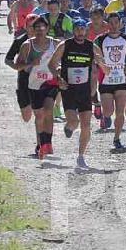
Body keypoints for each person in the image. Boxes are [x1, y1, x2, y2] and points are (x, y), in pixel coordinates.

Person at [48, 19, 103, 170]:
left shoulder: (92, 47)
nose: (80, 32)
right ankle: (69, 126)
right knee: (74, 122)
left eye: (82, 29)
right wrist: (58, 79)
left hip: (84, 91)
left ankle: (81, 156)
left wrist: (94, 85)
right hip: (68, 90)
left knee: (86, 125)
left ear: (86, 30)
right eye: (77, 29)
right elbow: (51, 64)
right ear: (73, 30)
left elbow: (101, 68)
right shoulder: (65, 45)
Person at [13, 16, 62, 161]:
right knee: (39, 116)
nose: (40, 30)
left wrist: (59, 70)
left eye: (43, 27)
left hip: (51, 82)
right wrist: (30, 63)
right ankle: (41, 144)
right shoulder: (27, 45)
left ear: (47, 29)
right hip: (34, 84)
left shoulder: (56, 44)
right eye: (37, 28)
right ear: (32, 30)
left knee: (48, 110)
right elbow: (17, 66)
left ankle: (47, 143)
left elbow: (63, 61)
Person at [95, 13, 126, 148]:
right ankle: (102, 111)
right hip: (106, 80)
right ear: (107, 24)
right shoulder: (100, 39)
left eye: (116, 22)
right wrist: (102, 66)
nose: (114, 26)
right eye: (110, 23)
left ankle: (117, 138)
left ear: (120, 23)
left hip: (122, 80)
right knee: (108, 111)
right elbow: (96, 57)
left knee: (120, 111)